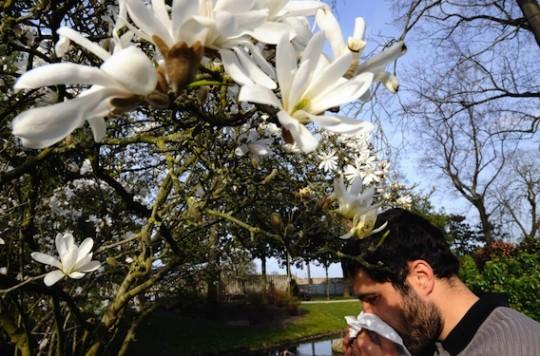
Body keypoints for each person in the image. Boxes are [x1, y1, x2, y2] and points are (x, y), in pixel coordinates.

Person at [340, 208, 540, 356]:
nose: (366, 315)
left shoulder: (510, 348)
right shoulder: (434, 340)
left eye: (373, 299)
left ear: (421, 277)